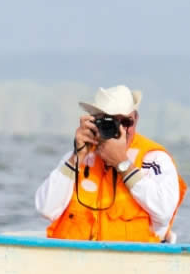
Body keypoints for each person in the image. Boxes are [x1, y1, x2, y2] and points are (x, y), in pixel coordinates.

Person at [35, 85, 187, 242]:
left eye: (126, 122)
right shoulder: (79, 156)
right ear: (95, 122)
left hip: (133, 260)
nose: (121, 130)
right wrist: (76, 158)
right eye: (111, 123)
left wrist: (123, 165)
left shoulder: (153, 159)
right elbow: (45, 208)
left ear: (136, 120)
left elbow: (164, 211)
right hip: (76, 259)